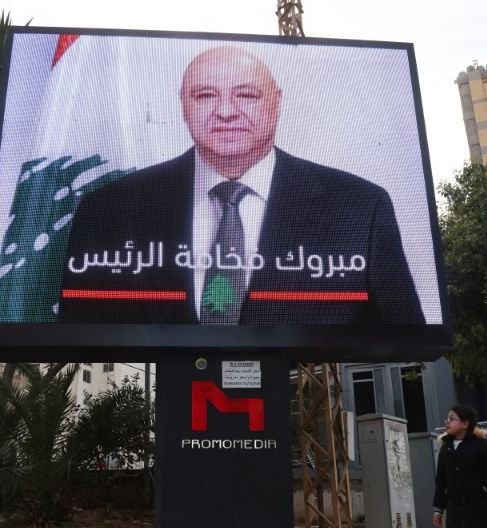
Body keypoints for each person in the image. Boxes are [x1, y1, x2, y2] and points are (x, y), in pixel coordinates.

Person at [59, 46, 423, 325]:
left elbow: (403, 332)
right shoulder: (109, 208)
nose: (227, 112)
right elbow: (81, 329)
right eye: (205, 95)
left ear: (277, 101)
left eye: (247, 95)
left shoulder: (360, 207)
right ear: (183, 104)